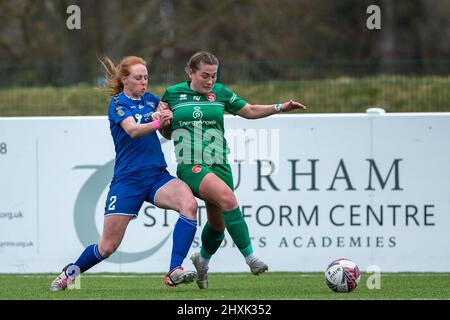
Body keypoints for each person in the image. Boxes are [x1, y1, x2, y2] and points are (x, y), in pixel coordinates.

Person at [50, 56, 199, 291]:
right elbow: (133, 130)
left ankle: (174, 271)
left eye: (146, 77)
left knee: (189, 205)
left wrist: (168, 120)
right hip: (128, 181)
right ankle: (69, 274)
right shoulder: (118, 103)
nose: (144, 82)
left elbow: (166, 134)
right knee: (107, 247)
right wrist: (158, 122)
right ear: (124, 79)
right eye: (138, 78)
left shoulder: (152, 100)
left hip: (157, 176)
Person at [160, 51, 307, 289]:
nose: (210, 81)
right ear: (190, 73)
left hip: (220, 163)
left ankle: (202, 262)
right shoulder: (172, 94)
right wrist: (164, 124)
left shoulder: (221, 93)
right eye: (205, 76)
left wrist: (280, 106)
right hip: (191, 164)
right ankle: (251, 258)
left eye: (214, 76)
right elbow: (165, 131)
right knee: (228, 198)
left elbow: (248, 110)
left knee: (217, 225)